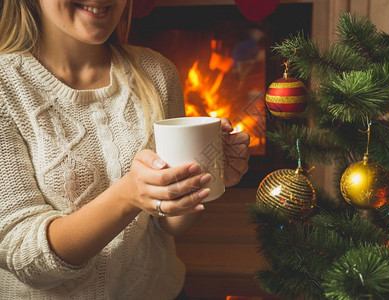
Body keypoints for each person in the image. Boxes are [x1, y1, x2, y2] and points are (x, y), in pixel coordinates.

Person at [0, 0, 250, 299]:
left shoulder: (158, 72)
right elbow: (26, 260)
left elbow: (169, 223)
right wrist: (128, 195)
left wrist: (204, 177)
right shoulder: (6, 86)